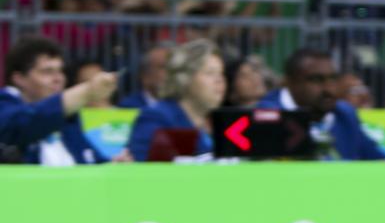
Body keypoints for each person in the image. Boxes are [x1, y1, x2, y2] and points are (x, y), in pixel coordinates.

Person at [259, 48, 385, 161]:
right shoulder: (266, 117)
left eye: (333, 79)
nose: (329, 89)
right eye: (316, 79)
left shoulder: (344, 114)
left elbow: (375, 155)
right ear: (289, 83)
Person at [0, 36, 115, 165]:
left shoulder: (67, 116)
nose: (58, 78)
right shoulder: (4, 106)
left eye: (60, 71)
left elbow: (90, 158)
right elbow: (27, 122)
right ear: (19, 78)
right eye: (47, 72)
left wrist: (112, 164)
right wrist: (87, 91)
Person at [125, 39, 225, 161]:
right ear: (185, 78)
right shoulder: (156, 118)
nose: (219, 80)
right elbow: (141, 169)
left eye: (221, 73)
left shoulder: (219, 122)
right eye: (210, 73)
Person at [118, 44, 171, 110]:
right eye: (163, 67)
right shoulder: (127, 108)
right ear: (145, 76)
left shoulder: (182, 106)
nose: (172, 73)